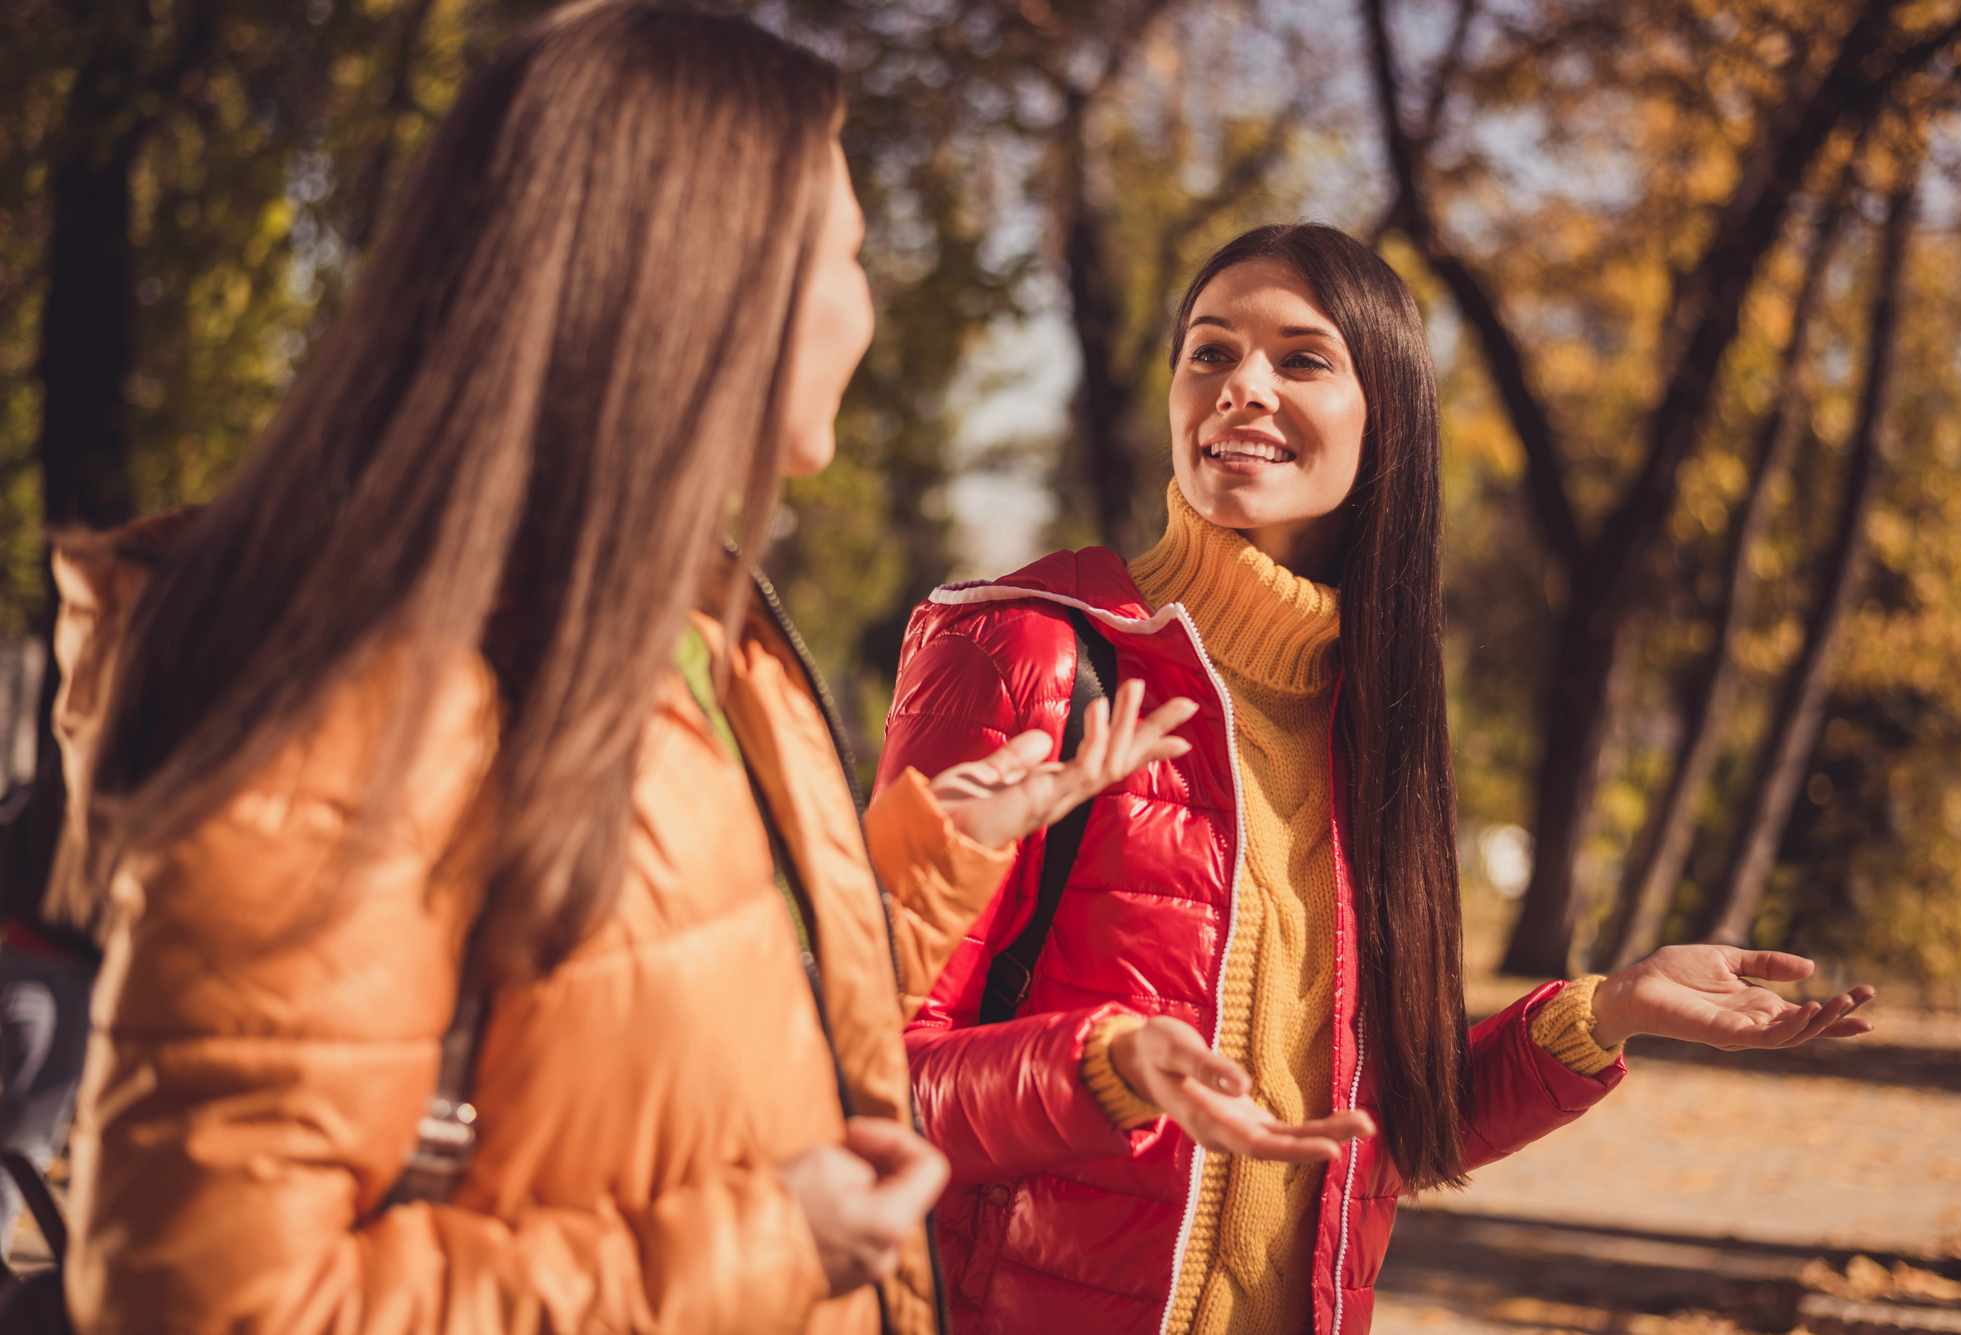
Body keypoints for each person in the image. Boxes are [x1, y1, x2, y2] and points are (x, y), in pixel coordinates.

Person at [39, 5, 1197, 1331]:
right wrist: (775, 1241)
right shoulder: (369, 697)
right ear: (714, 280)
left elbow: (667, 997)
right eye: (852, 254)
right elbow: (207, 1298)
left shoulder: (695, 637)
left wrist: (945, 851)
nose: (870, 308)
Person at [876, 223, 1877, 1335]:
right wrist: (1101, 1070)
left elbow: (1389, 1129)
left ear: (1384, 421)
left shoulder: (1378, 718)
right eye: (1208, 353)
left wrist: (1612, 1009)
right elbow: (864, 1071)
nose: (1239, 387)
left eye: (1300, 359)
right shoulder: (1025, 652)